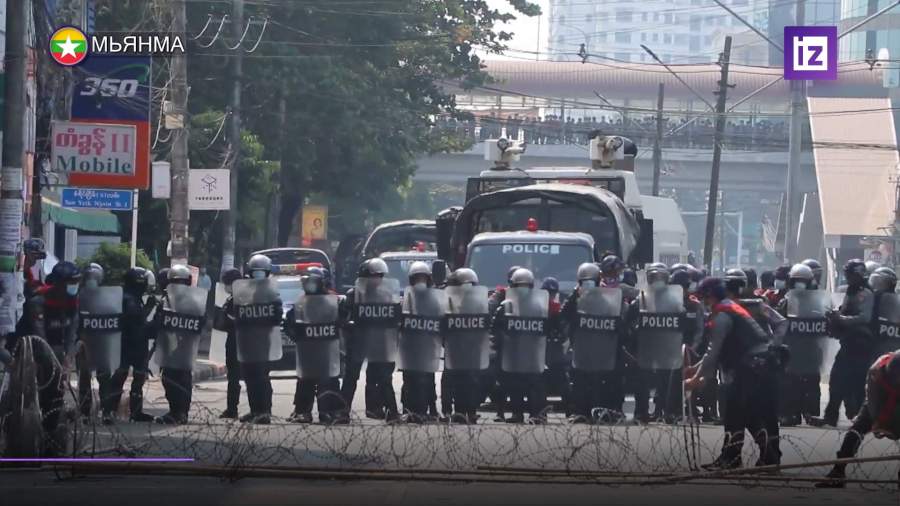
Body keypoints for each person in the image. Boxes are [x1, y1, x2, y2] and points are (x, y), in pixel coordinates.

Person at [685, 278, 782, 469]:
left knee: (735, 413)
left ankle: (733, 458)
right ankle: (765, 457)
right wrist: (695, 368)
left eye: (705, 298)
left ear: (711, 296)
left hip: (749, 368)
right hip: (755, 365)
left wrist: (695, 379)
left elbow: (713, 351)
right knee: (746, 413)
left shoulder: (722, 315)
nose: (704, 302)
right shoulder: (730, 308)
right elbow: (717, 352)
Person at [816, 351, 900, 488]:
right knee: (856, 430)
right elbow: (873, 403)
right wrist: (879, 422)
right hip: (878, 399)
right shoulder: (876, 371)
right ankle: (838, 472)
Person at [810, 259, 875, 427]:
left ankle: (860, 420)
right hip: (848, 343)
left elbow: (865, 317)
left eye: (850, 275)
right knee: (836, 380)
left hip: (860, 344)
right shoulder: (850, 291)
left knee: (857, 383)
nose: (848, 278)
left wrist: (842, 319)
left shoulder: (865, 293)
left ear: (859, 275)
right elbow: (845, 310)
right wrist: (835, 315)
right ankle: (831, 417)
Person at [562, 262, 625, 423]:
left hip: (603, 350)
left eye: (591, 282)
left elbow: (619, 324)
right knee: (580, 382)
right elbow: (564, 315)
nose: (588, 286)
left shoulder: (607, 299)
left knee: (601, 383)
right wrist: (575, 295)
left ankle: (601, 413)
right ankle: (580, 413)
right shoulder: (576, 300)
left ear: (598, 281)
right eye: (584, 283)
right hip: (582, 348)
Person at [286, 266, 345, 424]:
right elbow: (289, 323)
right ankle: (302, 412)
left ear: (322, 283)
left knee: (329, 381)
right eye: (307, 282)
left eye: (312, 282)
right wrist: (297, 337)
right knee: (305, 381)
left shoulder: (332, 301)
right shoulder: (301, 302)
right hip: (308, 350)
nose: (309, 285)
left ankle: (330, 412)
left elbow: (342, 321)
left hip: (327, 350)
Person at [628, 263, 685, 423]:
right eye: (654, 277)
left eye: (660, 277)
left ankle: (666, 412)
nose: (657, 281)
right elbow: (628, 321)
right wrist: (636, 331)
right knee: (642, 382)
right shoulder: (641, 299)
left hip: (667, 347)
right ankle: (641, 413)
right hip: (646, 347)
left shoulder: (674, 300)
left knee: (665, 381)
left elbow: (682, 322)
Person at [228, 254, 282, 424]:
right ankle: (255, 410)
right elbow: (233, 313)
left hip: (263, 342)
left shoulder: (272, 294)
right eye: (255, 272)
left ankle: (264, 411)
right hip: (246, 341)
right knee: (249, 376)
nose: (258, 276)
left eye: (261, 272)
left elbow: (277, 317)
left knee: (261, 376)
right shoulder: (244, 293)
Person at [493, 268, 548, 424]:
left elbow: (547, 328)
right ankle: (517, 414)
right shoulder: (506, 306)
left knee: (534, 384)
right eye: (519, 286)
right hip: (514, 351)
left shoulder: (538, 306)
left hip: (531, 352)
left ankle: (536, 414)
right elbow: (495, 328)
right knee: (515, 384)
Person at [349, 258, 402, 422]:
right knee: (351, 377)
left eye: (380, 276)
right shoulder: (353, 295)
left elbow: (395, 318)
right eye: (374, 276)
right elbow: (343, 318)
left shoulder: (385, 296)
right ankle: (342, 411)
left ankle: (385, 410)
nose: (377, 280)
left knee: (382, 377)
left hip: (379, 341)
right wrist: (349, 326)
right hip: (359, 340)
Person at [776, 264, 824, 426]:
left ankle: (811, 413)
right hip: (792, 347)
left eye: (803, 281)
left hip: (811, 347)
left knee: (812, 380)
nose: (799, 285)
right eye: (796, 281)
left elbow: (824, 321)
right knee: (789, 381)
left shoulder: (817, 301)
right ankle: (790, 413)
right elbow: (779, 323)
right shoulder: (786, 301)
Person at [155, 265, 203, 425]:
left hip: (184, 347)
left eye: (181, 282)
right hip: (169, 346)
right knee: (169, 379)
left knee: (181, 379)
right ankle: (176, 411)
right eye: (176, 282)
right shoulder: (166, 301)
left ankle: (180, 412)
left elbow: (199, 324)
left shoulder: (193, 301)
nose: (179, 286)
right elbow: (158, 322)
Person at [106, 267, 155, 423]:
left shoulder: (131, 297)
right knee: (122, 376)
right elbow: (137, 321)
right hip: (129, 344)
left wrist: (148, 308)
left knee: (137, 378)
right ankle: (111, 411)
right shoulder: (130, 299)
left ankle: (132, 411)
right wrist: (151, 315)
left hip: (131, 343)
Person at [399, 261, 442, 423]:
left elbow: (440, 320)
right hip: (410, 347)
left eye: (423, 278)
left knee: (428, 380)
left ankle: (430, 410)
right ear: (412, 280)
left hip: (427, 346)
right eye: (417, 278)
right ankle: (408, 410)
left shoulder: (434, 300)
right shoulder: (407, 299)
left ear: (429, 280)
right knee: (409, 379)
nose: (420, 282)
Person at [213, 268, 243, 419]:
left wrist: (223, 316)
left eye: (227, 283)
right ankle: (232, 409)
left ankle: (236, 409)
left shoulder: (240, 299)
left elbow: (232, 320)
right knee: (233, 377)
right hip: (234, 342)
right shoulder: (232, 299)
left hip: (239, 341)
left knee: (239, 377)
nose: (226, 287)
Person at [77, 263, 106, 418]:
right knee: (85, 377)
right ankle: (85, 410)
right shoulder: (80, 296)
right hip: (86, 340)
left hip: (100, 340)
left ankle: (104, 408)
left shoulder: (105, 296)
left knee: (102, 376)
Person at [542, 276, 571, 417]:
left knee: (563, 380)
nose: (550, 295)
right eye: (548, 292)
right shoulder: (536, 307)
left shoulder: (558, 309)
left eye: (552, 293)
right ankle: (539, 412)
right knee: (538, 382)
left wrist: (559, 336)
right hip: (537, 350)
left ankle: (571, 410)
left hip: (554, 350)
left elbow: (563, 330)